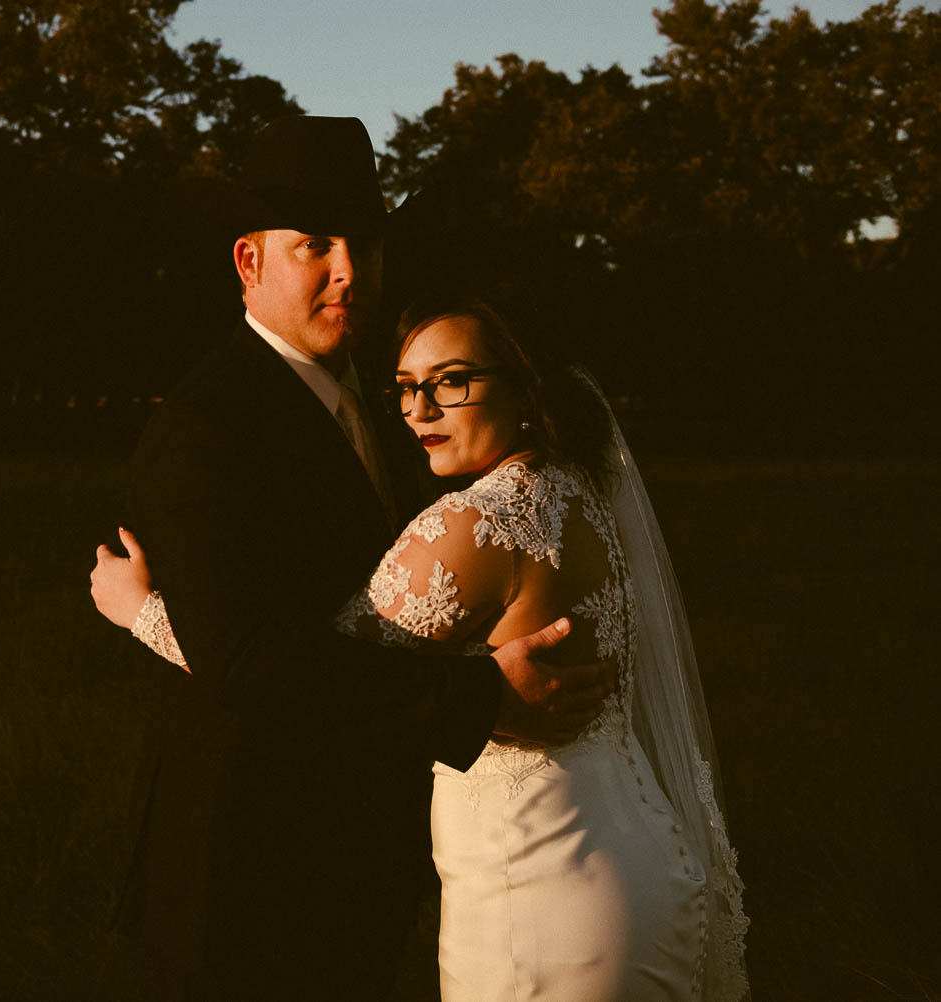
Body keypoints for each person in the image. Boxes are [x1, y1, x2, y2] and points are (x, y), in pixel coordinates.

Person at [94, 291, 751, 999]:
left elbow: (298, 668)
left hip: (539, 887)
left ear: (527, 387)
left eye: (452, 382)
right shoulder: (579, 489)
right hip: (644, 850)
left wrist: (140, 611)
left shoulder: (472, 526)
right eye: (406, 388)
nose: (418, 411)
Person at [101, 115, 614, 1002]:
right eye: (316, 245)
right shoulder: (206, 429)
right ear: (249, 262)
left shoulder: (381, 402)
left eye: (366, 246)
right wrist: (484, 695)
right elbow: (247, 659)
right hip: (244, 868)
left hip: (351, 852)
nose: (349, 270)